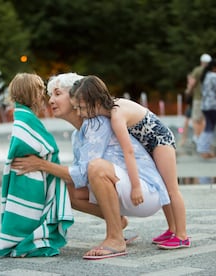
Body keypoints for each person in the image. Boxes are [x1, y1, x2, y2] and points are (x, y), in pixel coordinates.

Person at [12, 73, 171, 260]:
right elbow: (78, 179)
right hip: (126, 190)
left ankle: (115, 239)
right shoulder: (77, 135)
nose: (51, 100)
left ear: (75, 97)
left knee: (97, 168)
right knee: (66, 190)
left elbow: (84, 172)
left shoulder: (98, 123)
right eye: (50, 95)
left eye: (57, 93)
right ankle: (117, 222)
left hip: (145, 192)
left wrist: (41, 164)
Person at [69, 75, 190, 249]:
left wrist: (135, 187)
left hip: (159, 141)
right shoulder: (106, 112)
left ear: (94, 101)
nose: (79, 113)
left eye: (81, 107)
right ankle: (172, 229)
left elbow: (129, 151)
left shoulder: (116, 114)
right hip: (146, 142)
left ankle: (182, 235)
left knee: (171, 189)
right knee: (163, 185)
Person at [0, 73, 74, 258]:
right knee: (28, 212)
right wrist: (48, 153)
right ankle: (25, 242)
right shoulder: (25, 118)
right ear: (31, 93)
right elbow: (33, 143)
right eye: (40, 91)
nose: (43, 96)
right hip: (28, 175)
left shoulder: (24, 116)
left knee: (26, 212)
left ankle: (19, 239)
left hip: (29, 171)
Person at [185, 53, 212, 144]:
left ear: (201, 62)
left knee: (196, 119)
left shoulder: (198, 70)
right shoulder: (212, 71)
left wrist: (188, 91)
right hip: (209, 99)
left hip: (198, 98)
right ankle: (203, 137)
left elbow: (192, 82)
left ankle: (197, 137)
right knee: (204, 119)